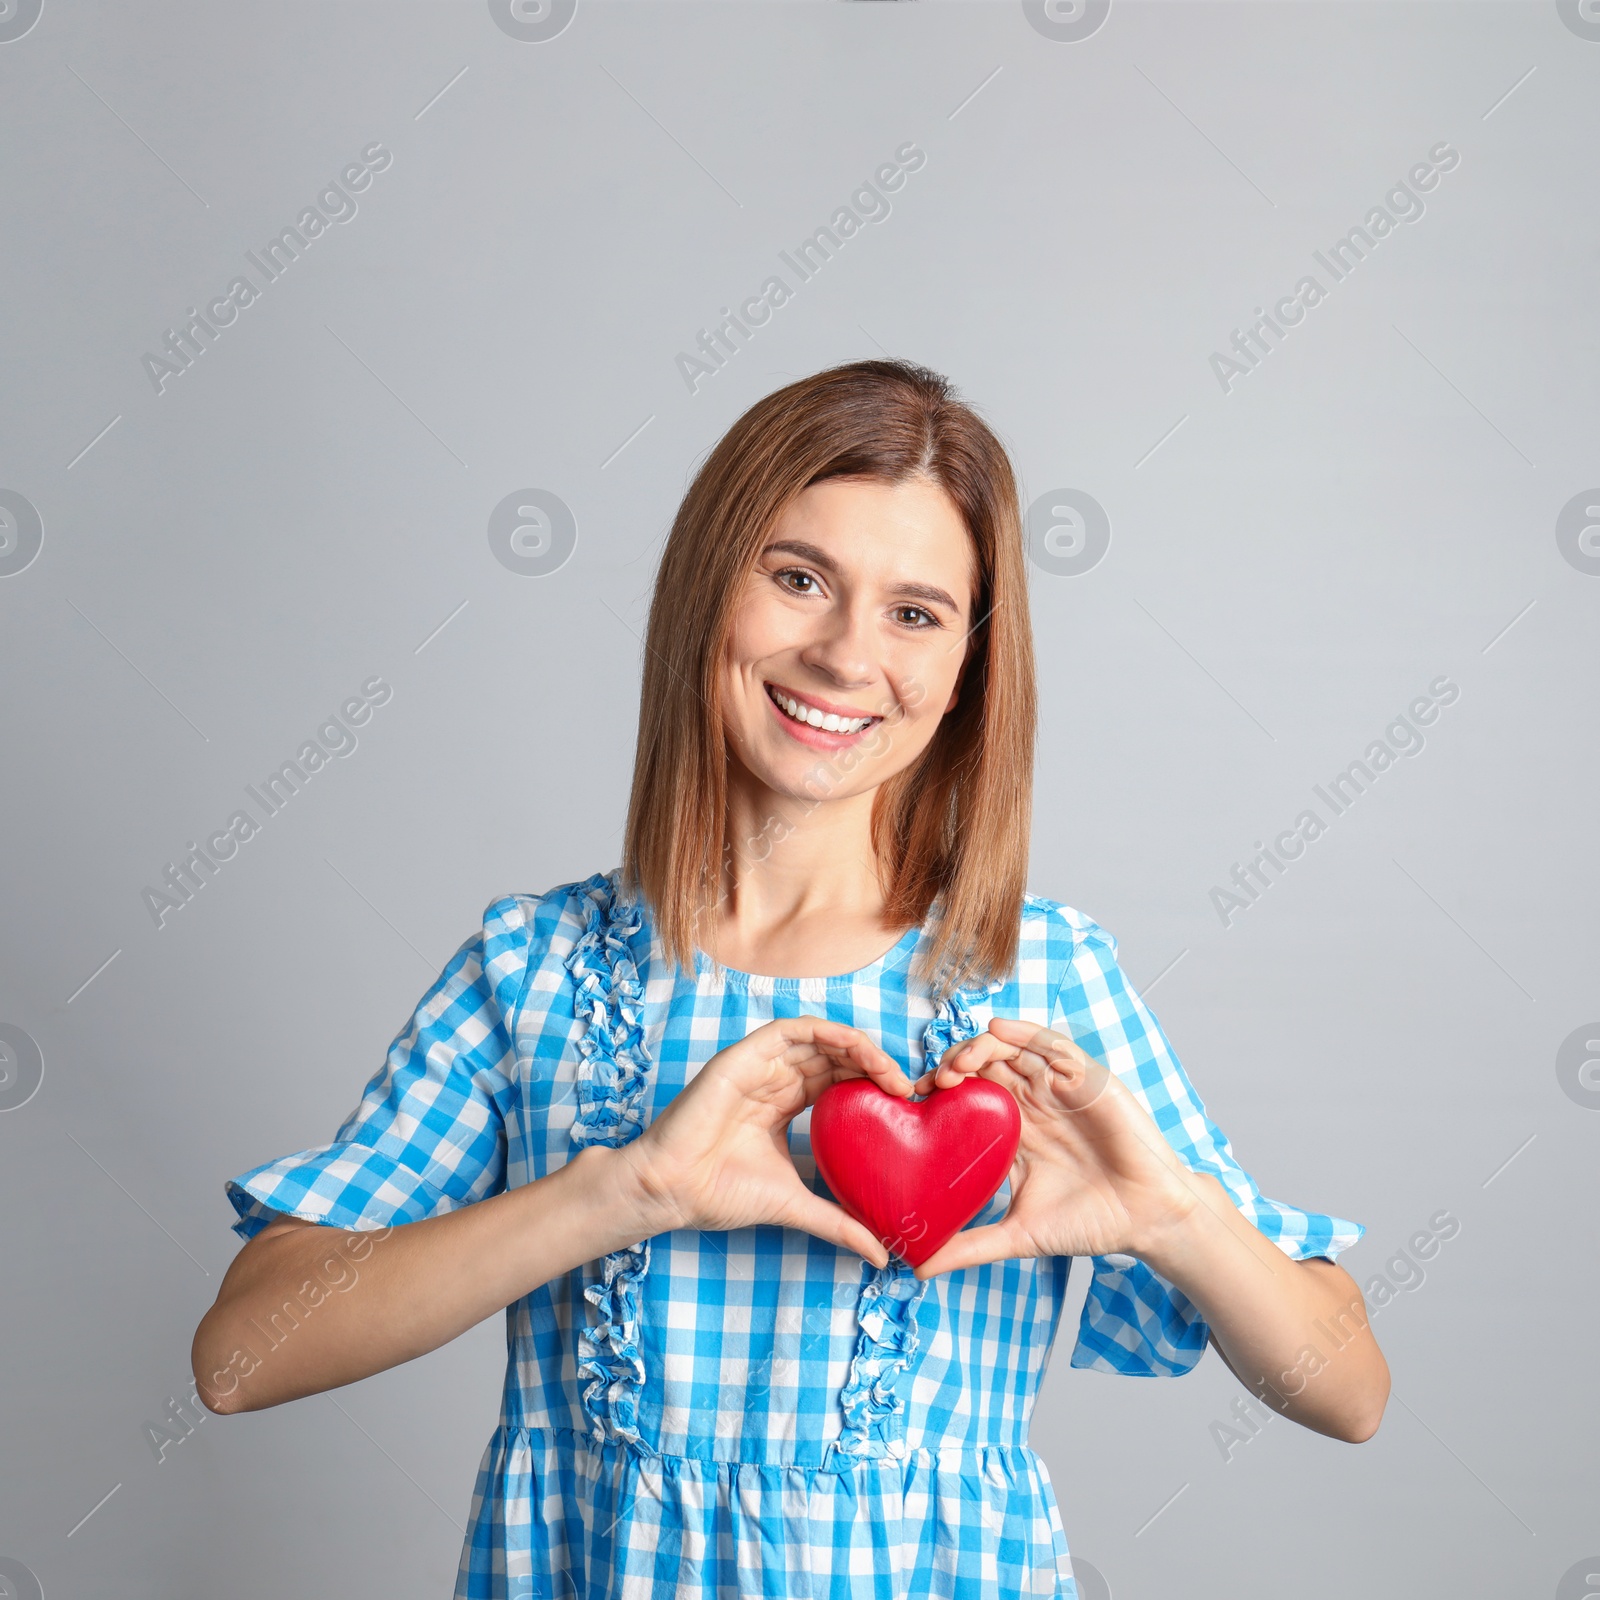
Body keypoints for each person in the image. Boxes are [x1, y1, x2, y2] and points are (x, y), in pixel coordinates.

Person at [191, 358, 1389, 1599]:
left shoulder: (1036, 979)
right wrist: (622, 1192)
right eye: (800, 578)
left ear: (970, 669)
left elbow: (1347, 1390)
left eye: (914, 613)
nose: (842, 655)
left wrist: (1172, 1219)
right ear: (709, 587)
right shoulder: (532, 968)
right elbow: (240, 1356)